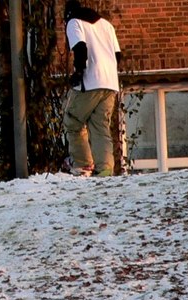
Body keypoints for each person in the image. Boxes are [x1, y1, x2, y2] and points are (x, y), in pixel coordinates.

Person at [63, 0, 122, 177]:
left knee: (72, 121)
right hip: (110, 82)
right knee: (100, 127)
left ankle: (83, 164)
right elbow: (118, 55)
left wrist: (79, 72)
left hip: (90, 81)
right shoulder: (106, 24)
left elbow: (80, 48)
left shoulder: (74, 22)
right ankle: (105, 169)